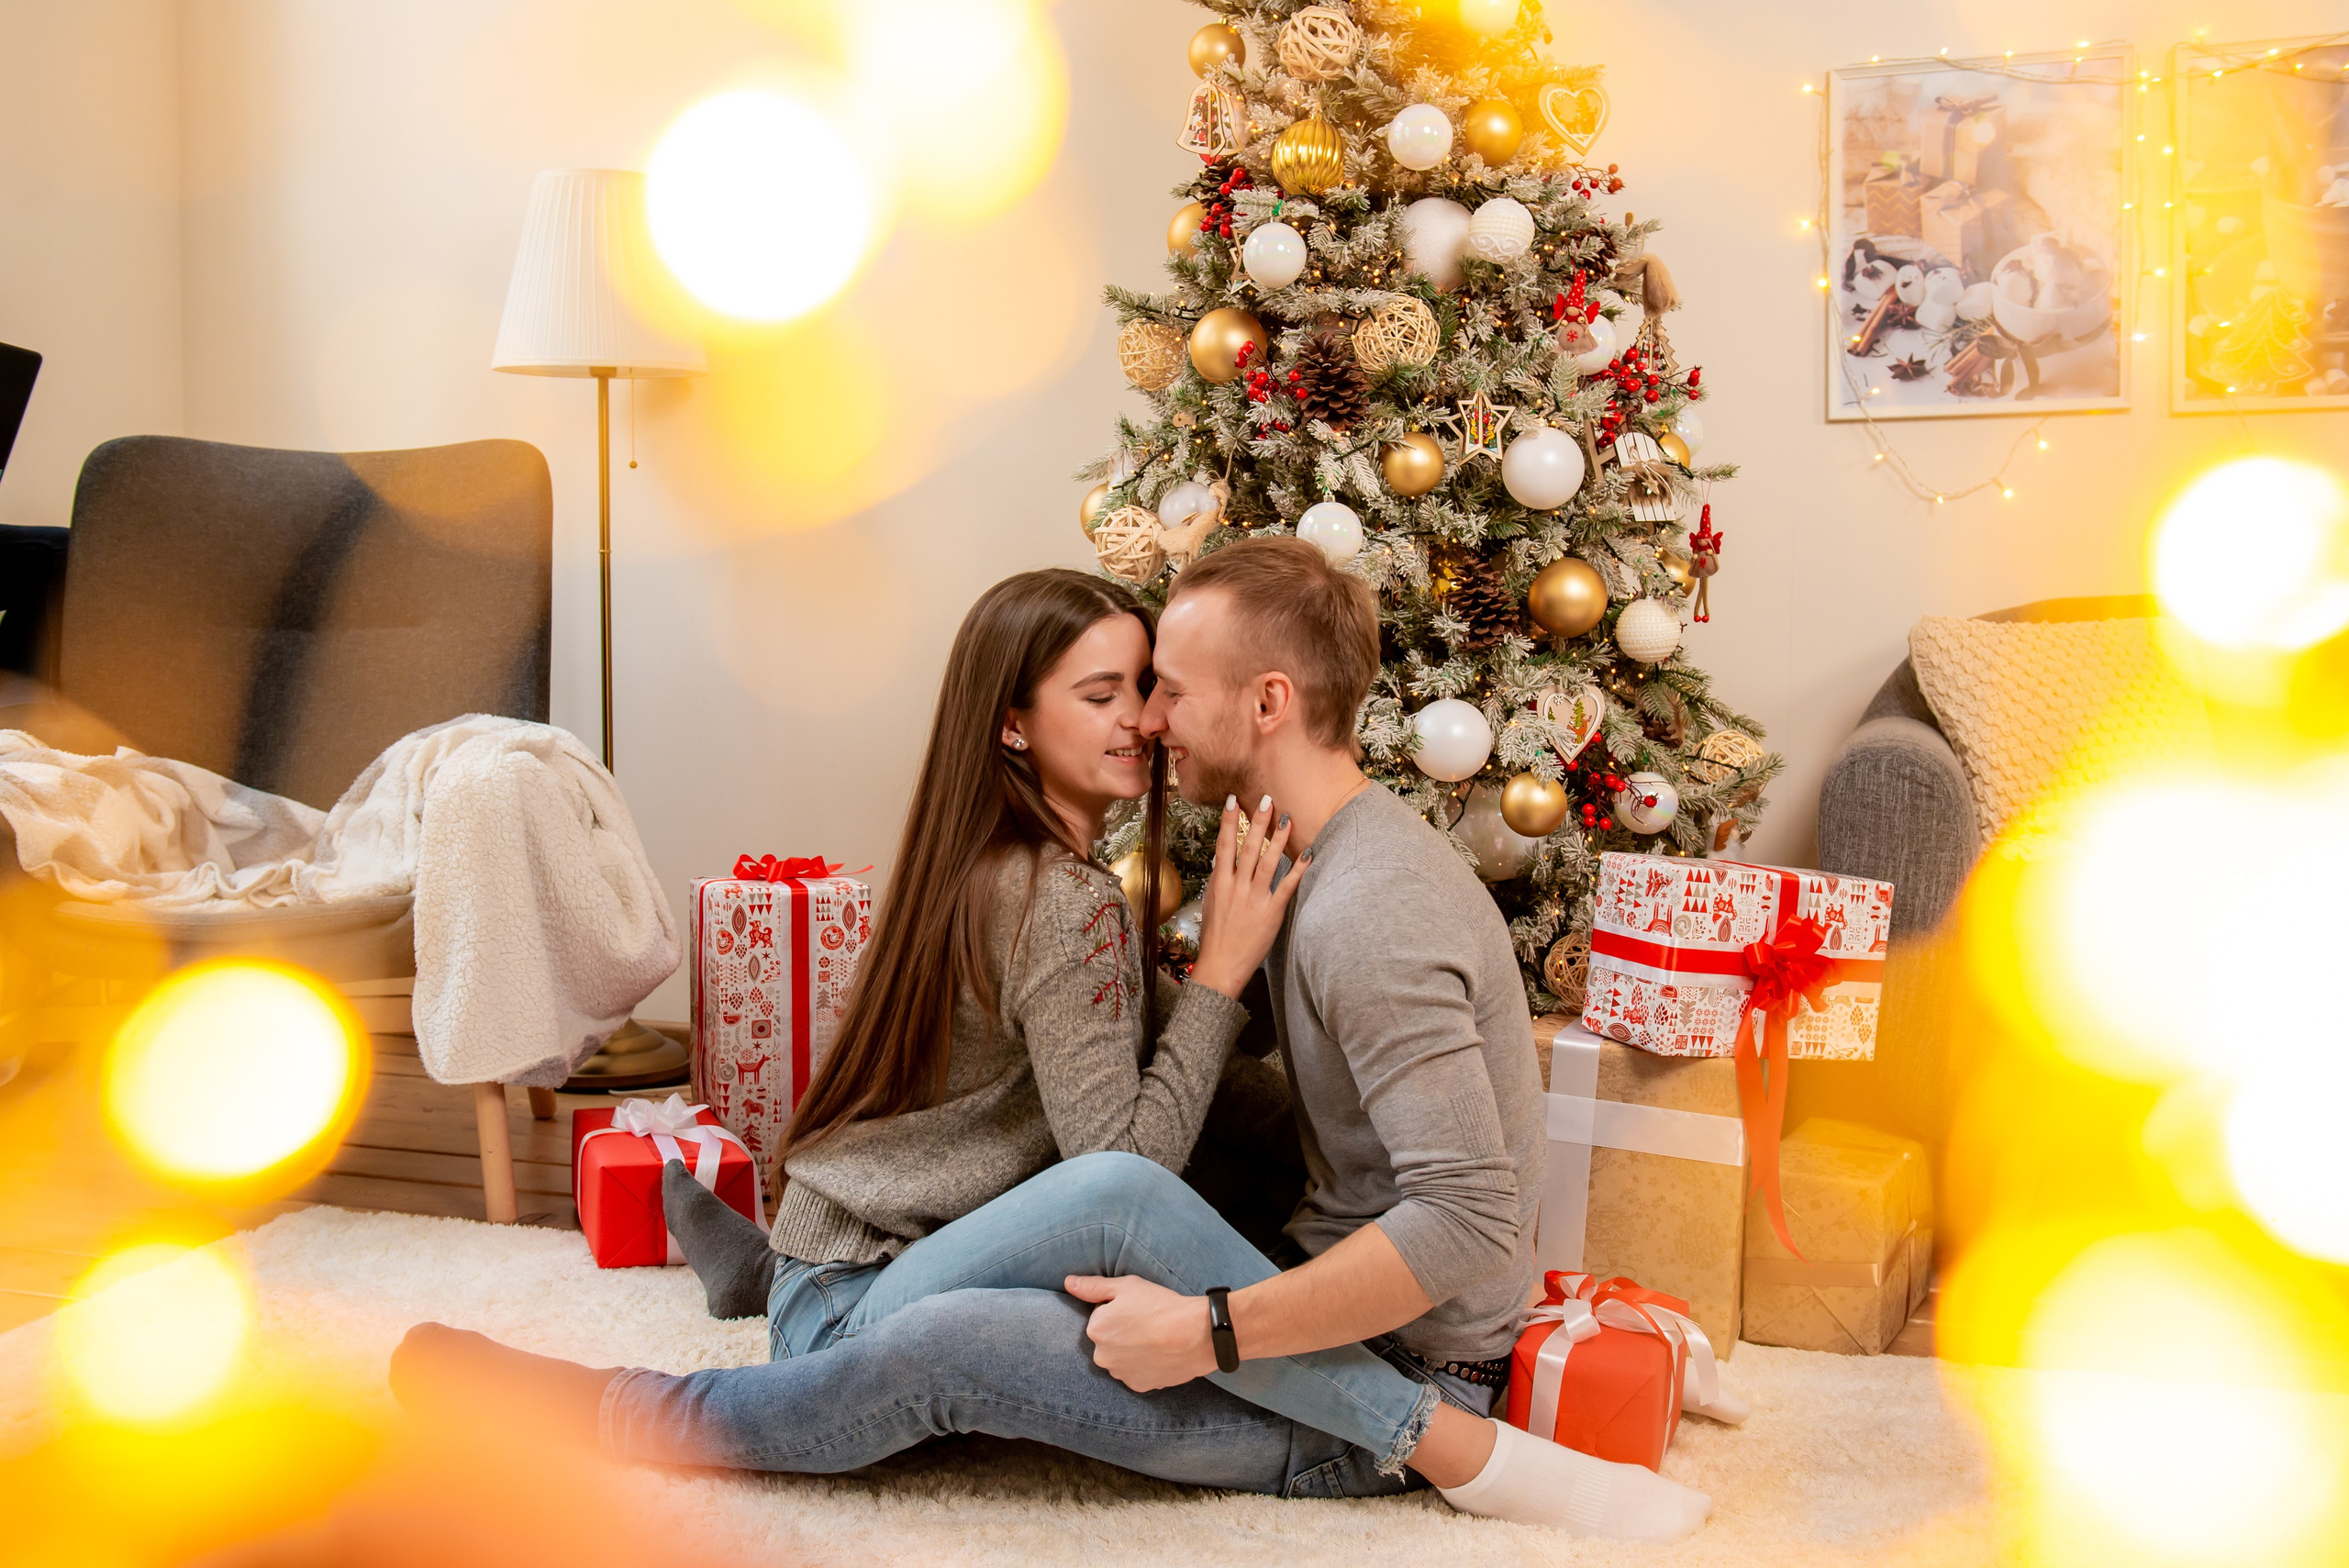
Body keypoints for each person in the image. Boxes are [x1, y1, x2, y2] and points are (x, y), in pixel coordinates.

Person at [393, 542, 1712, 1541]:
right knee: (1118, 1194)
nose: (1147, 719)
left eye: (1162, 688)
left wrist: (1217, 1325)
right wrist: (1219, 982)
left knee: (998, 1303)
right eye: (1122, 691)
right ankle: (1437, 1442)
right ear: (1017, 722)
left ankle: (654, 1369)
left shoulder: (1361, 900)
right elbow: (1130, 1140)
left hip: (1374, 1365)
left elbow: (1461, 1217)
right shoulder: (1265, 869)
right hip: (1309, 1341)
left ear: (1261, 704)